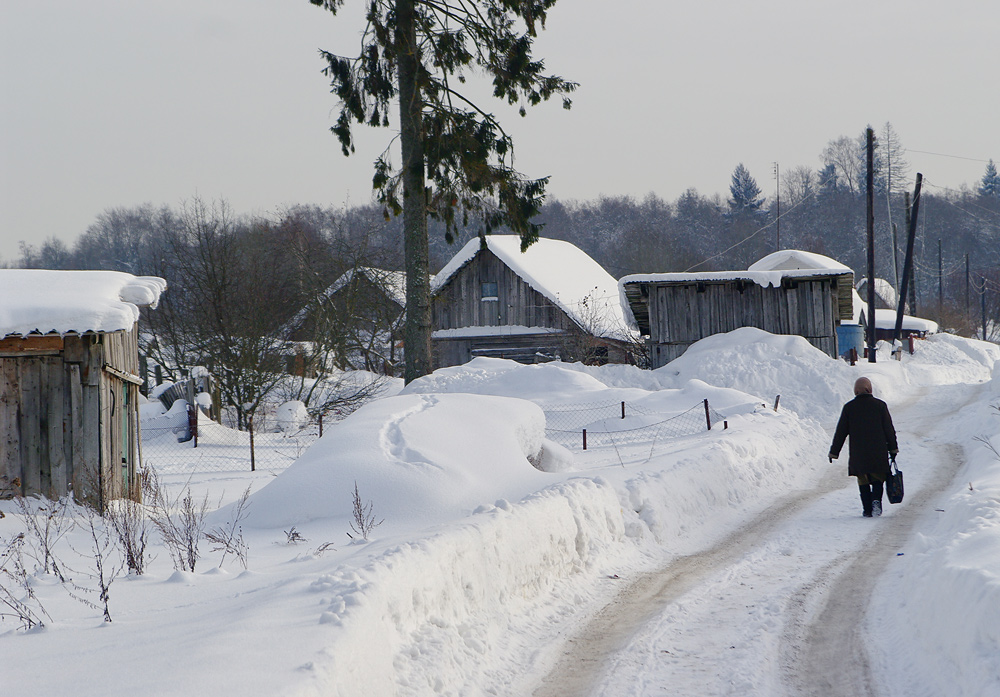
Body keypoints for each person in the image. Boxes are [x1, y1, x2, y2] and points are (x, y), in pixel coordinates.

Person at [829, 376, 898, 517]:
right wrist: (893, 447)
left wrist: (834, 452)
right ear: (869, 389)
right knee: (878, 478)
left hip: (858, 453)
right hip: (877, 451)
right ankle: (876, 502)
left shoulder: (849, 408)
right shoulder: (880, 405)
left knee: (863, 480)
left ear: (856, 391)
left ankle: (867, 509)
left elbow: (840, 432)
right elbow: (888, 429)